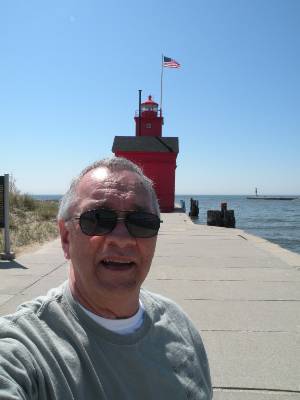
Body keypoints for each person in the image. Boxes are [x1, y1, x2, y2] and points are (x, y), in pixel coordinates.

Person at [0, 157, 212, 399]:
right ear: (66, 237)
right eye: (98, 219)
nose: (121, 238)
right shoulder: (26, 348)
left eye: (142, 222)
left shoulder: (178, 323)